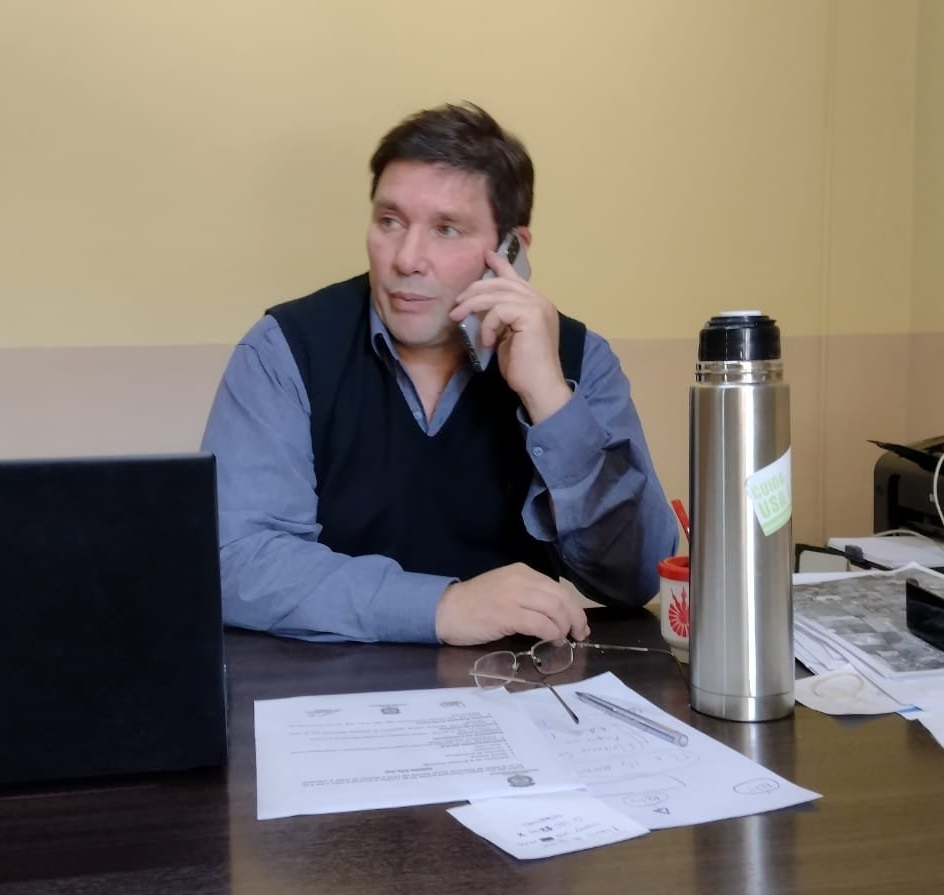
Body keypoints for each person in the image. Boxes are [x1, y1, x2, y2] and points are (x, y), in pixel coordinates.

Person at [200, 102, 675, 646]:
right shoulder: (284, 349)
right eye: (390, 221)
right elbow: (237, 561)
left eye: (447, 229)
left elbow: (636, 578)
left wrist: (550, 400)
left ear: (511, 250)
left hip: (514, 682)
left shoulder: (577, 358)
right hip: (322, 687)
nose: (407, 258)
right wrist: (441, 607)